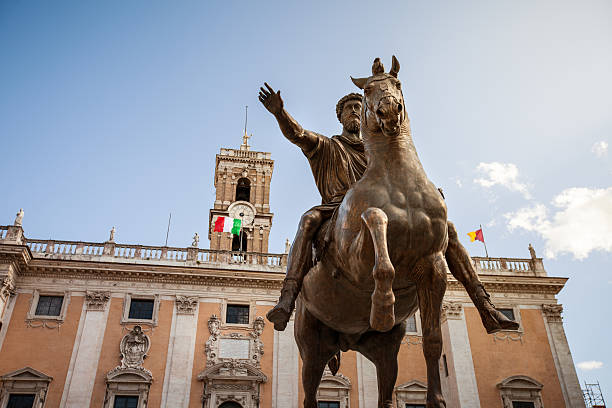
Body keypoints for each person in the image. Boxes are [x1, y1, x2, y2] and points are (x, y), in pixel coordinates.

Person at [259, 83, 518, 334]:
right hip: (338, 210)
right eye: (348, 108)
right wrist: (280, 112)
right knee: (308, 220)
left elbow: (407, 182)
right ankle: (288, 297)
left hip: (384, 209)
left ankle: (485, 305)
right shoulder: (329, 146)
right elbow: (298, 135)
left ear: (366, 114)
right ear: (340, 117)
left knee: (447, 229)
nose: (353, 112)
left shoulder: (382, 152)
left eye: (358, 107)